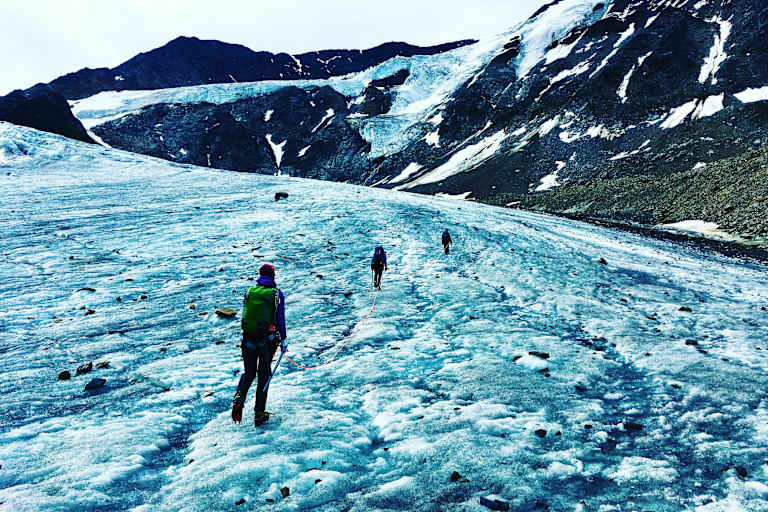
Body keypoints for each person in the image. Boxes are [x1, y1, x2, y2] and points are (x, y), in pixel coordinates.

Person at [231, 263, 287, 426]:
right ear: (273, 276)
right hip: (266, 341)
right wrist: (283, 339)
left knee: (249, 372)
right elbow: (280, 319)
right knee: (264, 374)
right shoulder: (276, 294)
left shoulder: (250, 292)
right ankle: (259, 413)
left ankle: (239, 396)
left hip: (247, 338)